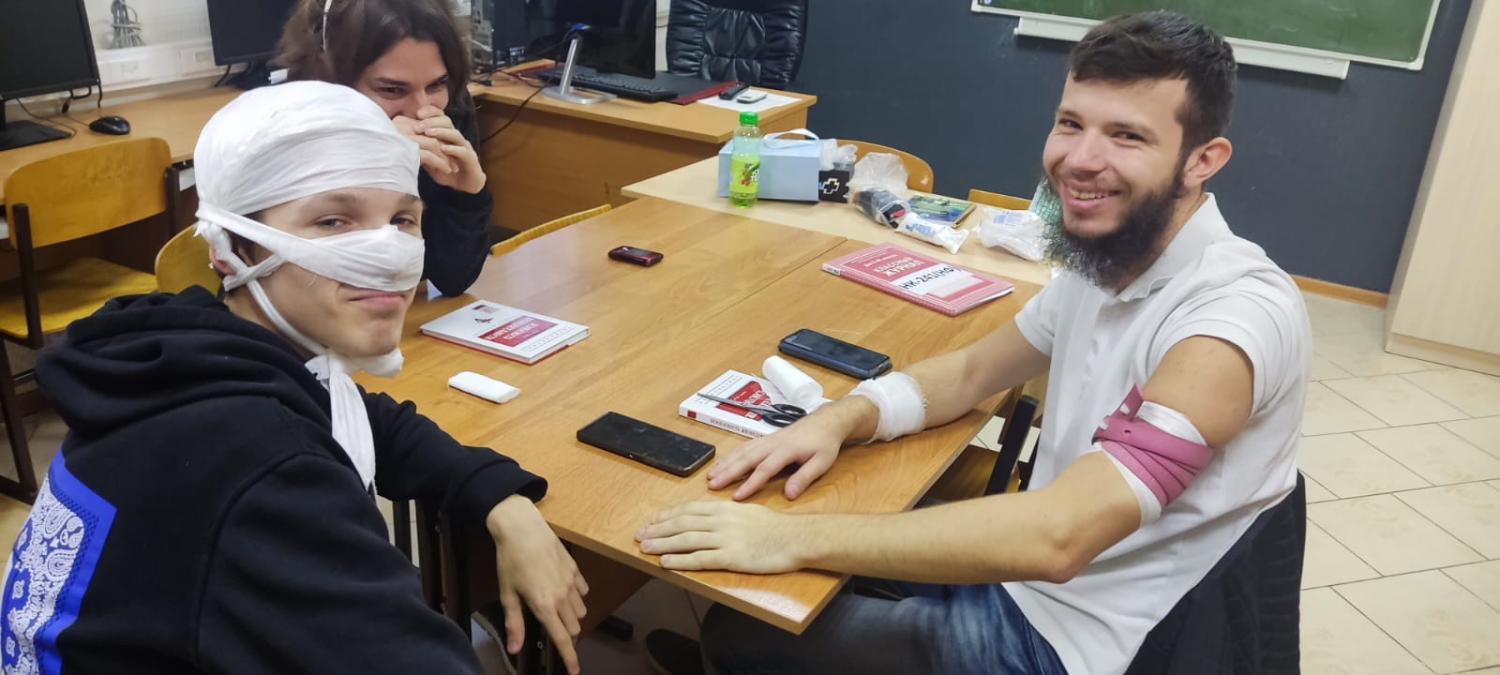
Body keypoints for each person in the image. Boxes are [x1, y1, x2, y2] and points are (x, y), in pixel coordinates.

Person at [636, 12, 1311, 675]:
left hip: (1078, 640)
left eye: (1127, 136)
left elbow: (1058, 538)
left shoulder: (1233, 320)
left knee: (747, 626)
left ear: (1202, 161)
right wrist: (840, 419)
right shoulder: (1108, 259)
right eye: (1070, 123)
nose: (1080, 160)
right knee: (771, 577)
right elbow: (970, 374)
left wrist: (790, 540)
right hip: (1033, 579)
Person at [0, 82, 588, 674]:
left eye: (402, 219)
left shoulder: (202, 352)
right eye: (333, 221)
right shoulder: (263, 471)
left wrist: (501, 499)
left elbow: (362, 415)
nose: (386, 252)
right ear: (232, 247)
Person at [275, 0, 492, 297]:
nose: (421, 110)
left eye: (437, 84)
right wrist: (370, 163)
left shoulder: (450, 110)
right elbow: (308, 289)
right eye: (391, 89)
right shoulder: (289, 127)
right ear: (333, 79)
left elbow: (452, 279)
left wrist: (466, 195)